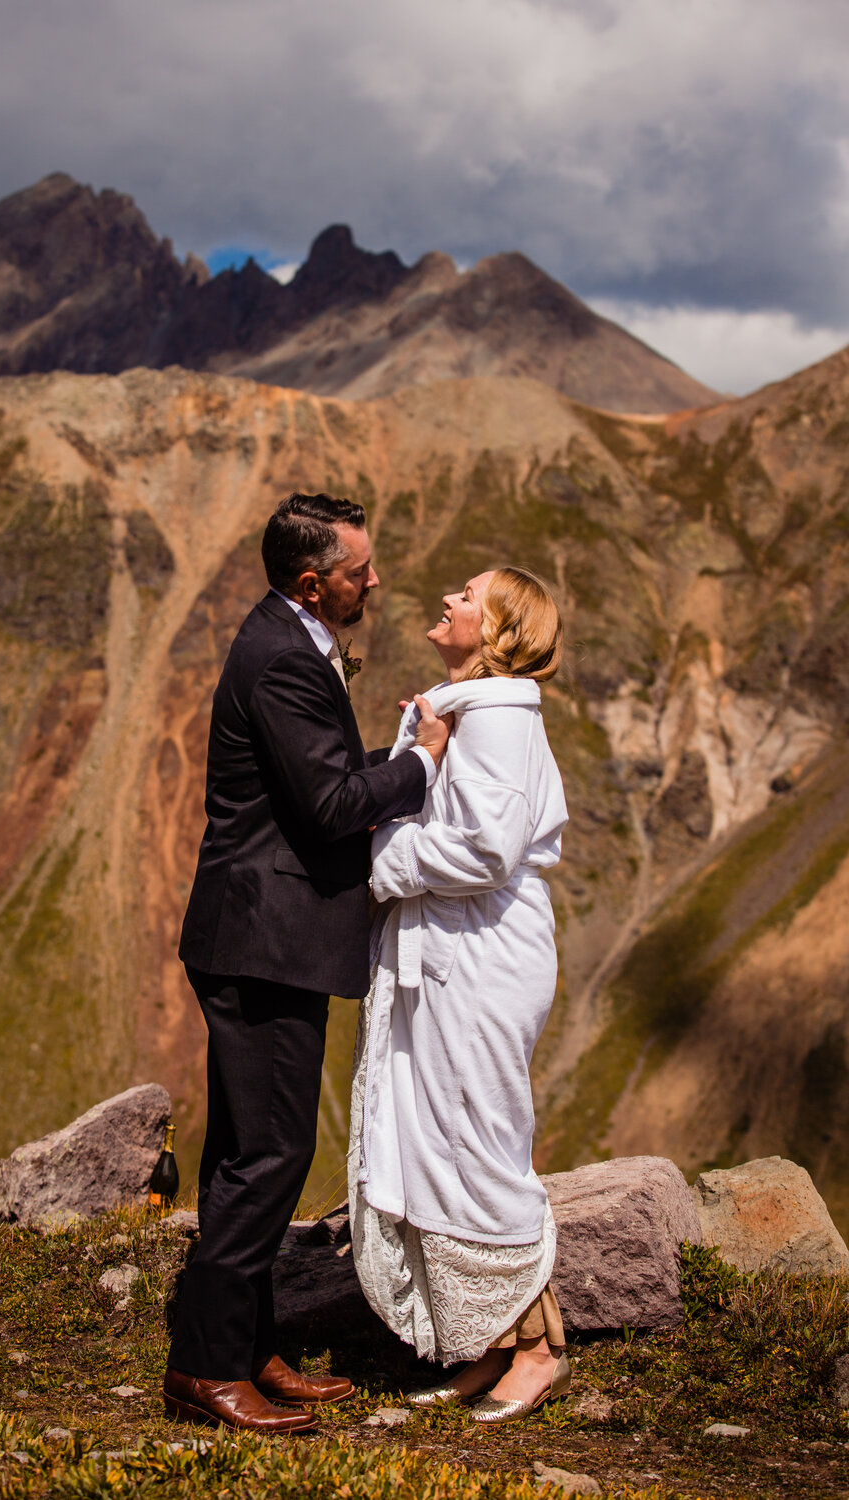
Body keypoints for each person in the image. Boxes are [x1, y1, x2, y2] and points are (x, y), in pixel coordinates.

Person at [164, 492, 453, 1433]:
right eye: (359, 570)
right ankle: (207, 1368)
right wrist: (421, 766)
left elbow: (313, 775)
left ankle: (248, 1348)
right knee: (270, 1153)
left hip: (258, 937)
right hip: (263, 942)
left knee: (252, 1150)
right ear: (310, 582)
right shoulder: (286, 659)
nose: (374, 580)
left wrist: (389, 750)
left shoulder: (282, 639)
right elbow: (331, 807)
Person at [348, 565, 571, 1424]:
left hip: (480, 960)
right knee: (446, 1138)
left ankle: (540, 1350)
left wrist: (377, 865)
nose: (449, 599)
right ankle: (488, 1340)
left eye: (470, 597)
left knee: (480, 1142)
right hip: (450, 954)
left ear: (503, 631)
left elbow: (484, 850)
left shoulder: (500, 723)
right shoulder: (465, 714)